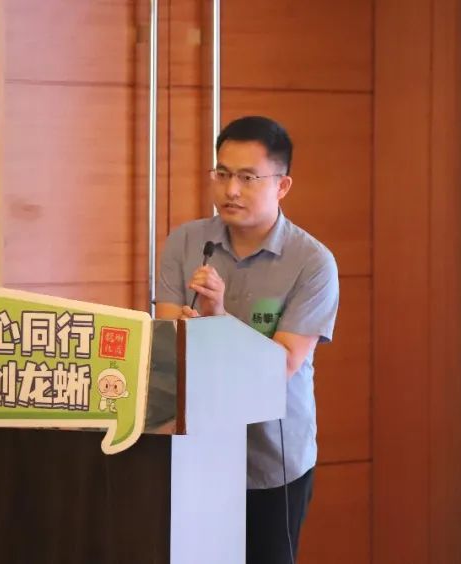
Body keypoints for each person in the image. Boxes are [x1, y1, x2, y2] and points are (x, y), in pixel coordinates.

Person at [155, 115, 340, 563]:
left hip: (270, 459)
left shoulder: (312, 263)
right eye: (222, 174)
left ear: (282, 185)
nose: (230, 190)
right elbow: (167, 346)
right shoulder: (186, 242)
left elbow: (280, 367)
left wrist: (218, 319)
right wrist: (185, 331)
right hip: (191, 447)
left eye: (247, 177)